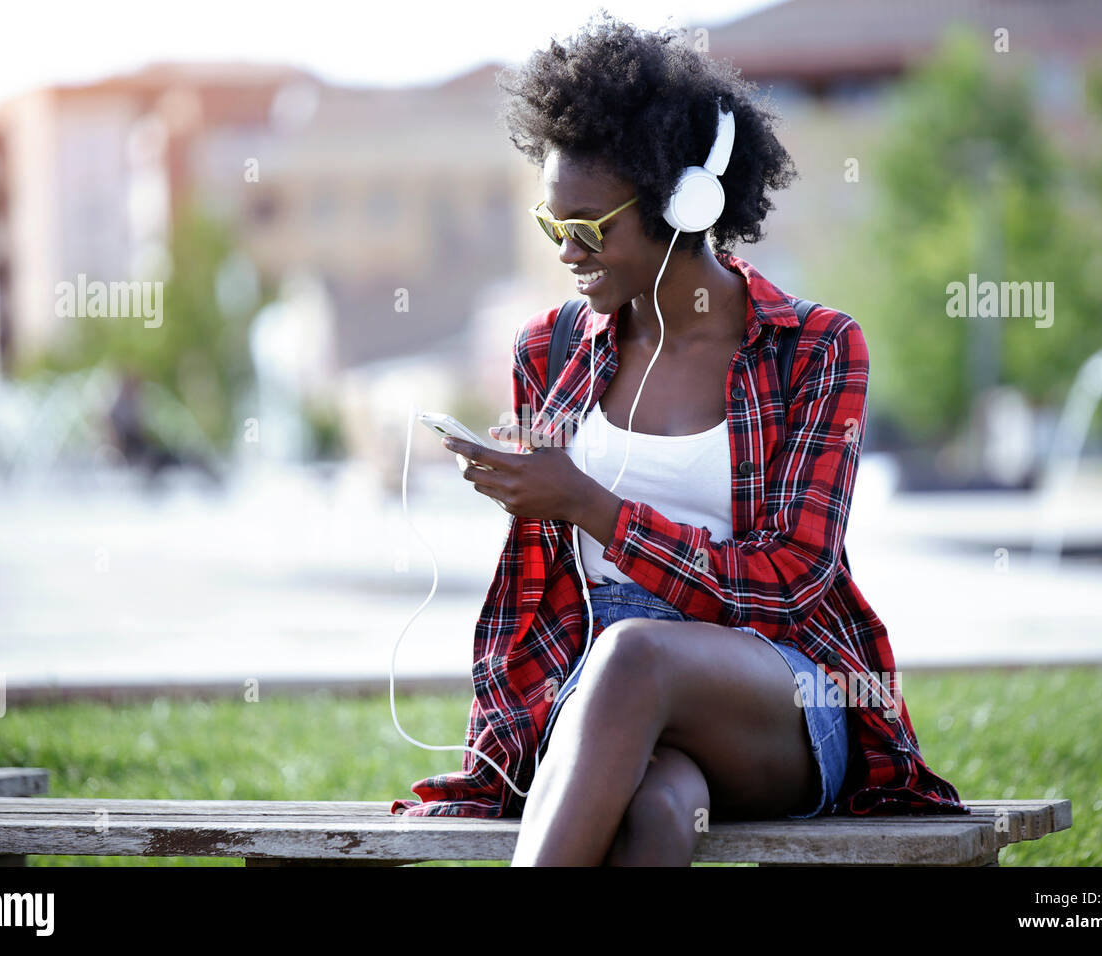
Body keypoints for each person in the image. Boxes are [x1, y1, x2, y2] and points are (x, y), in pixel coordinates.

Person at [390, 12, 967, 865]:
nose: (569, 252)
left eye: (591, 227)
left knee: (636, 656)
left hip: (774, 687)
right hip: (603, 698)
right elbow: (536, 591)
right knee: (661, 814)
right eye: (556, 227)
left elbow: (792, 583)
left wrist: (588, 503)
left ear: (682, 200)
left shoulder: (814, 347)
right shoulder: (546, 351)